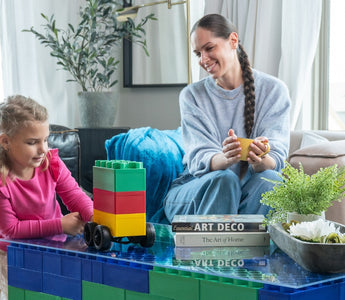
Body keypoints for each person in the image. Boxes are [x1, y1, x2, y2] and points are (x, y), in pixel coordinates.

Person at [163, 14, 291, 223]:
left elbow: (275, 159)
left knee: (272, 182)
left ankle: (251, 255)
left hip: (248, 192)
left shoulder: (274, 90)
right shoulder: (192, 95)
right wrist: (227, 158)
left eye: (209, 48)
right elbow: (198, 158)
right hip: (196, 190)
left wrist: (259, 158)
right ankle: (211, 255)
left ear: (233, 41)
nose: (203, 60)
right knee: (225, 181)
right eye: (198, 53)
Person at [0, 95, 93, 300]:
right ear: (6, 142)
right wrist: (60, 225)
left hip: (54, 247)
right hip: (12, 254)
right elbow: (10, 230)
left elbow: (75, 196)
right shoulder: (2, 180)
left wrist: (96, 216)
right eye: (32, 142)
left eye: (45, 139)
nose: (43, 149)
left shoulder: (51, 163)